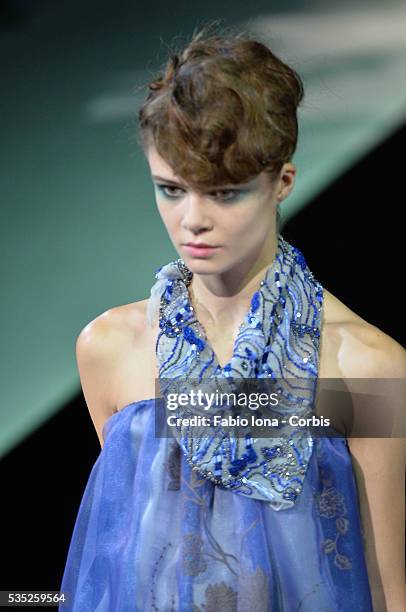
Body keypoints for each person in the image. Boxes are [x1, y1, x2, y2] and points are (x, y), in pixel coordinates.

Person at [59, 22, 406, 612]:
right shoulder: (110, 347)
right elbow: (125, 559)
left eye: (223, 193)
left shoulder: (367, 365)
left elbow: (383, 587)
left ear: (282, 183)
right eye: (171, 189)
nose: (192, 219)